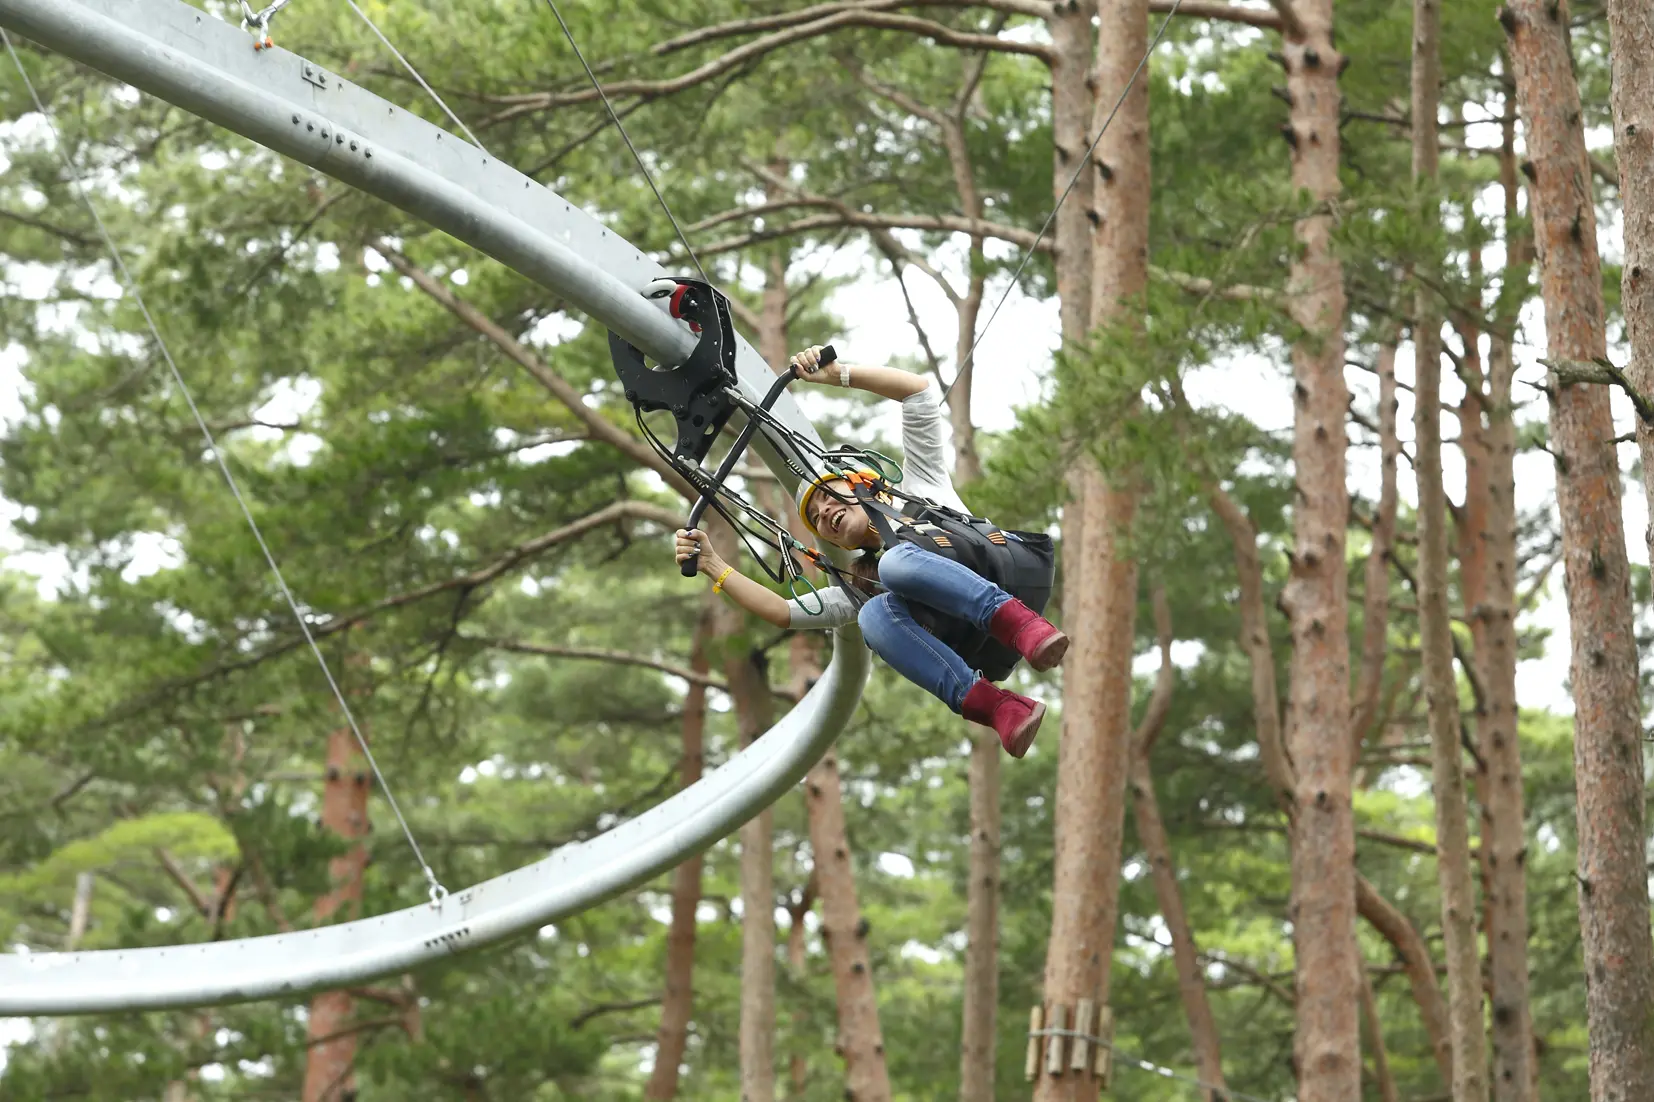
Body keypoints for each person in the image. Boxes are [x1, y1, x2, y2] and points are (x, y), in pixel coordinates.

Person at [672, 346, 1066, 758]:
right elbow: (783, 611)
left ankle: (1021, 625)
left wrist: (837, 375)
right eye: (818, 519)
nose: (825, 511)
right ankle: (997, 707)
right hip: (978, 641)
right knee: (872, 613)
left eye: (829, 496)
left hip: (1001, 573)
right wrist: (713, 565)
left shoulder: (921, 489)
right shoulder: (866, 580)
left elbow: (916, 393)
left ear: (863, 485)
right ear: (837, 544)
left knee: (896, 563)